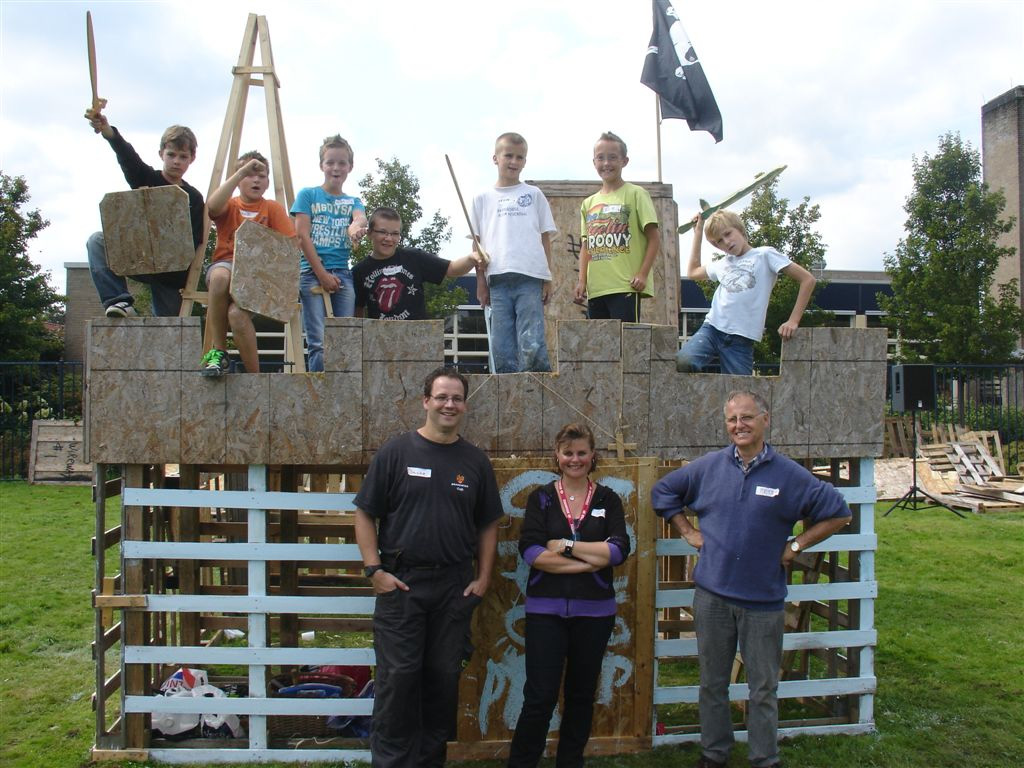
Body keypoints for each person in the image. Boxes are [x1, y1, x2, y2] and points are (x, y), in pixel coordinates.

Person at [651, 390, 851, 768]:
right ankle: (714, 754)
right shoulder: (708, 467)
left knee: (763, 688)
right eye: (732, 420)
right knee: (712, 684)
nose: (738, 426)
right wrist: (688, 531)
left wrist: (796, 545)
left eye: (746, 417)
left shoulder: (789, 475)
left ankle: (764, 758)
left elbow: (838, 513)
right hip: (712, 596)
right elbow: (663, 492)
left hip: (763, 601)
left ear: (765, 420)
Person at [354, 367, 502, 768]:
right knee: (398, 680)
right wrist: (374, 570)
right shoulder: (396, 453)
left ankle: (428, 761)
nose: (449, 404)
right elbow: (365, 514)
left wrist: (483, 577)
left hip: (453, 586)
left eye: (456, 398)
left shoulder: (474, 462)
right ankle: (390, 762)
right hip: (402, 582)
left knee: (442, 679)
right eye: (441, 397)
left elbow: (488, 523)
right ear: (425, 401)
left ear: (465, 405)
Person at [506, 423, 630, 768]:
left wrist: (568, 547)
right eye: (567, 453)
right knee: (539, 696)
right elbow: (531, 551)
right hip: (545, 612)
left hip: (595, 613)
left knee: (580, 696)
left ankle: (570, 761)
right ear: (556, 457)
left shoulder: (608, 499)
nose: (574, 459)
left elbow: (619, 551)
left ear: (593, 456)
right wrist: (589, 562)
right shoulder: (542, 498)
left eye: (581, 453)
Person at [83, 103, 205, 317]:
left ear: (191, 159)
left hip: (170, 272)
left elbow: (196, 240)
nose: (176, 161)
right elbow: (127, 157)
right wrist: (108, 131)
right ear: (161, 154)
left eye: (183, 156)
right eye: (171, 154)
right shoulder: (147, 178)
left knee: (170, 332)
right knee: (96, 241)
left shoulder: (194, 198)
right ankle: (120, 301)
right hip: (140, 257)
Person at [676, 210, 816, 375]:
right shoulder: (722, 263)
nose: (726, 242)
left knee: (740, 394)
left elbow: (808, 280)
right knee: (682, 362)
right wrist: (698, 233)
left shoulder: (764, 255)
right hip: (712, 329)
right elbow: (693, 272)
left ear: (740, 230)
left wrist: (793, 321)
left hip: (741, 339)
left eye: (728, 234)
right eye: (720, 241)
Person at [201, 151, 296, 376]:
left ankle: (256, 378)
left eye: (261, 176)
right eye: (248, 175)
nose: (255, 180)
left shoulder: (271, 208)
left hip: (257, 276)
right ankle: (219, 353)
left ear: (268, 182)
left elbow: (289, 245)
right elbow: (212, 207)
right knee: (220, 278)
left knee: (236, 316)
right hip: (226, 265)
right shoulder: (231, 205)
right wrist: (239, 171)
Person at [470, 132, 557, 372]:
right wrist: (480, 282)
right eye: (508, 155)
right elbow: (476, 247)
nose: (514, 161)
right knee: (502, 345)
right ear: (495, 158)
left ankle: (536, 391)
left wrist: (547, 278)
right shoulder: (482, 198)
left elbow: (545, 238)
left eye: (520, 157)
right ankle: (507, 398)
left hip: (530, 278)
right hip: (496, 279)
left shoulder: (533, 194)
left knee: (532, 341)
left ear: (525, 162)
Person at [291, 134, 369, 372]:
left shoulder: (352, 200)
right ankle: (319, 395)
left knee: (343, 339)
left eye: (342, 163)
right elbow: (302, 236)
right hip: (312, 272)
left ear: (350, 167)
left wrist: (356, 228)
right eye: (330, 162)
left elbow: (359, 217)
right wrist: (322, 274)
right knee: (319, 342)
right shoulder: (308, 195)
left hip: (342, 274)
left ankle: (341, 391)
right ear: (322, 165)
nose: (336, 168)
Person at [574, 132, 660, 323]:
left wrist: (643, 274)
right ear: (594, 162)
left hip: (626, 287)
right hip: (597, 289)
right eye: (600, 158)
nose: (606, 163)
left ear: (624, 161)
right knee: (600, 349)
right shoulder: (588, 203)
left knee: (626, 347)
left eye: (612, 157)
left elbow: (654, 238)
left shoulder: (637, 194)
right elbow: (586, 246)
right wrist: (582, 281)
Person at [353, 207, 481, 320]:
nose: (389, 238)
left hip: (418, 339)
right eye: (383, 232)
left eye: (395, 234)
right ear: (369, 233)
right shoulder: (359, 271)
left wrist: (471, 258)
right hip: (378, 341)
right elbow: (357, 311)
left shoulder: (414, 257)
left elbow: (452, 269)